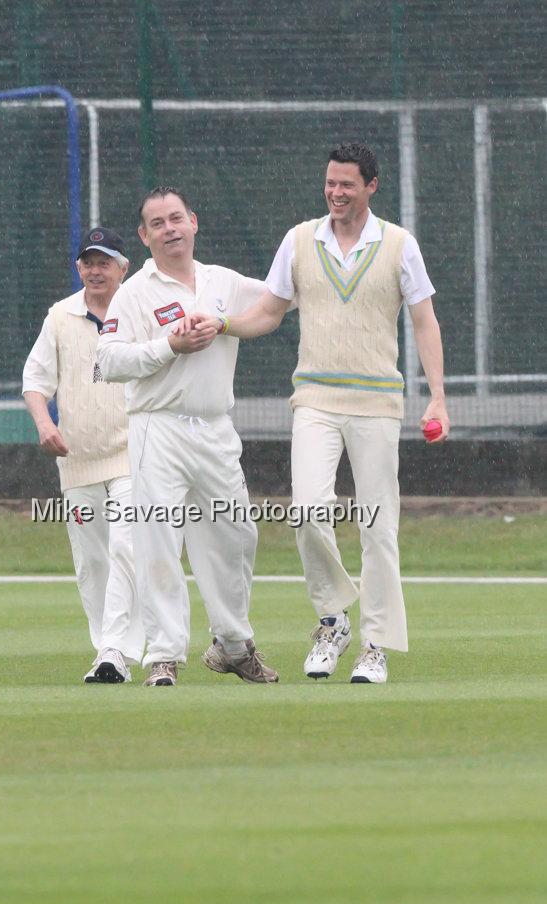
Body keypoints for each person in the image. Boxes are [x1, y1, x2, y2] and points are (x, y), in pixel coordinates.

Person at [189, 143, 450, 684]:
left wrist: (438, 397)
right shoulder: (299, 240)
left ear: (371, 186)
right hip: (314, 399)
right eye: (330, 183)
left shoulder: (400, 245)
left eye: (347, 184)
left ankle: (374, 645)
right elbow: (269, 311)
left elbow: (424, 321)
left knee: (379, 528)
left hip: (377, 401)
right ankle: (333, 622)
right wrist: (223, 325)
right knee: (308, 513)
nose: (335, 193)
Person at [96, 186, 278, 688]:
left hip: (215, 426)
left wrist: (228, 322)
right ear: (144, 235)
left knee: (237, 534)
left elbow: (278, 300)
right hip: (159, 426)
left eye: (176, 218)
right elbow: (108, 361)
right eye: (158, 223)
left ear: (193, 222)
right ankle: (163, 656)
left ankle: (234, 645)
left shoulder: (223, 281)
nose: (170, 228)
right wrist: (168, 346)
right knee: (158, 540)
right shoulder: (134, 292)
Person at [22, 227, 144, 683]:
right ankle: (106, 652)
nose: (96, 270)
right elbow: (35, 381)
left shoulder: (139, 310)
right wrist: (45, 424)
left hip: (133, 453)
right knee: (92, 564)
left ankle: (117, 650)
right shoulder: (59, 316)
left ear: (122, 268)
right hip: (77, 459)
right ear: (79, 268)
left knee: (127, 547)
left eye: (105, 261)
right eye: (88, 262)